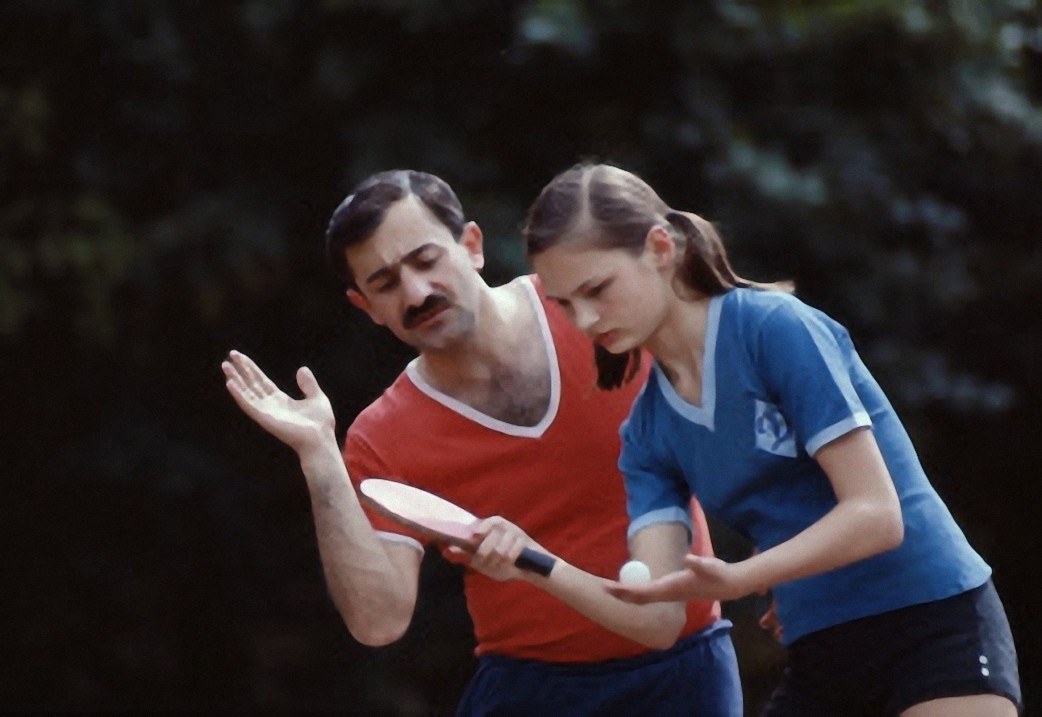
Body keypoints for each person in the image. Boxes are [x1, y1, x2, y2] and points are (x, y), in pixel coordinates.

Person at [221, 169, 743, 716]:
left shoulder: (593, 309)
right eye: (386, 283)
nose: (417, 292)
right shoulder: (384, 436)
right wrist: (318, 454)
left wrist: (782, 567)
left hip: (688, 670)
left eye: (426, 260)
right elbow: (379, 622)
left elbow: (752, 411)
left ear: (471, 245)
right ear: (366, 306)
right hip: (532, 691)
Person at [521, 162, 1022, 717]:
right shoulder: (645, 434)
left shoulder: (775, 328)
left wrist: (744, 577)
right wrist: (531, 561)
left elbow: (878, 515)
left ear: (660, 247)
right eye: (565, 303)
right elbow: (657, 619)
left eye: (597, 289)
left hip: (935, 624)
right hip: (823, 653)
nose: (585, 320)